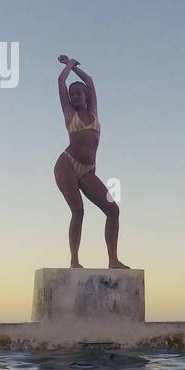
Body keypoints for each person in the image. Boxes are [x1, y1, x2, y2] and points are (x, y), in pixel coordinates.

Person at [54, 55, 129, 269]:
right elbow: (60, 82)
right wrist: (68, 66)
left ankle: (113, 260)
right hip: (67, 164)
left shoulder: (94, 111)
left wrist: (76, 66)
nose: (76, 96)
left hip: (88, 171)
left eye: (79, 93)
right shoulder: (69, 113)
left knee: (113, 210)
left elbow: (90, 82)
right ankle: (74, 261)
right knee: (78, 210)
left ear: (86, 97)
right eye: (72, 94)